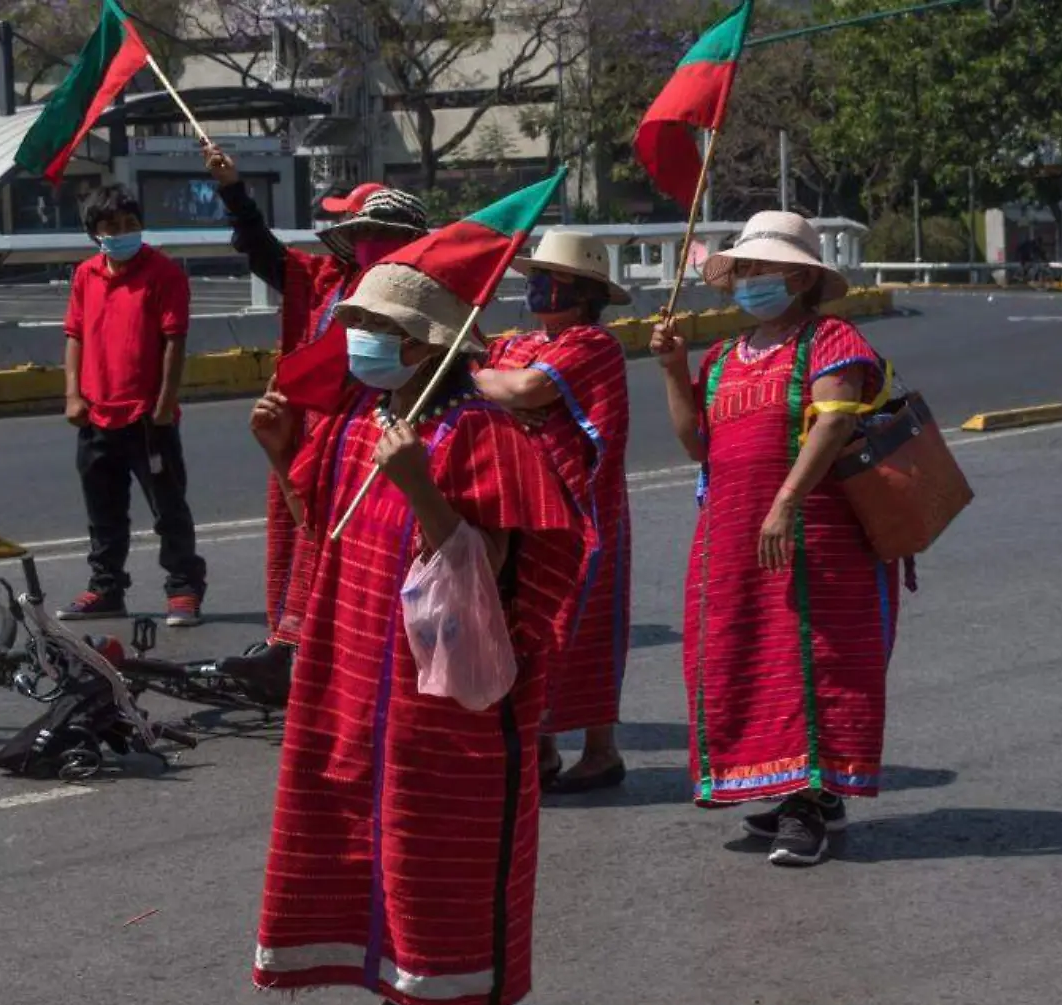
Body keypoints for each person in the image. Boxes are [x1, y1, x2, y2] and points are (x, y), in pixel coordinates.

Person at [249, 262, 582, 1005]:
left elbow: (496, 570)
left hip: (446, 688)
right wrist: (277, 452)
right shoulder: (361, 421)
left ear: (429, 346)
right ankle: (407, 995)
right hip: (363, 670)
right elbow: (325, 527)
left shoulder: (481, 433)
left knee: (447, 841)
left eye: (383, 330)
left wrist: (420, 487)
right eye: (361, 323)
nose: (363, 340)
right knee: (378, 836)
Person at [651, 211, 902, 867]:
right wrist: (675, 371)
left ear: (797, 276)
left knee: (812, 666)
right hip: (732, 538)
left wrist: (786, 502)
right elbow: (698, 444)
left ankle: (806, 806)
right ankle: (804, 793)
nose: (748, 280)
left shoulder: (830, 340)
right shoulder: (725, 357)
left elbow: (835, 418)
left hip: (815, 536)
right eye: (744, 269)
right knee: (747, 658)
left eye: (760, 268)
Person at [204, 145, 429, 668]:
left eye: (363, 228)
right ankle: (288, 641)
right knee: (293, 528)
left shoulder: (414, 293)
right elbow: (263, 252)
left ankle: (326, 646)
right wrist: (233, 190)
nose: (354, 236)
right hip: (307, 424)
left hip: (365, 428)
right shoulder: (327, 277)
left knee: (339, 533)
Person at [475, 230, 633, 794]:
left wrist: (506, 391)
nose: (539, 288)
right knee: (528, 622)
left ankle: (600, 751)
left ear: (584, 292)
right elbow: (502, 383)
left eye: (552, 280)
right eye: (536, 278)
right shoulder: (515, 342)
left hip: (578, 506)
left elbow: (527, 388)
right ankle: (538, 750)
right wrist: (504, 389)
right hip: (523, 503)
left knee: (581, 622)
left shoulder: (592, 344)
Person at [57, 185, 208, 626]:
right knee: (103, 511)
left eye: (130, 225)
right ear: (95, 233)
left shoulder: (163, 273)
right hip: (96, 413)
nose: (123, 233)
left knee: (168, 508)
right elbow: (75, 335)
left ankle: (183, 588)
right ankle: (106, 588)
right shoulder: (86, 274)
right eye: (112, 227)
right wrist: (72, 394)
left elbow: (174, 341)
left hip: (147, 416)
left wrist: (164, 403)